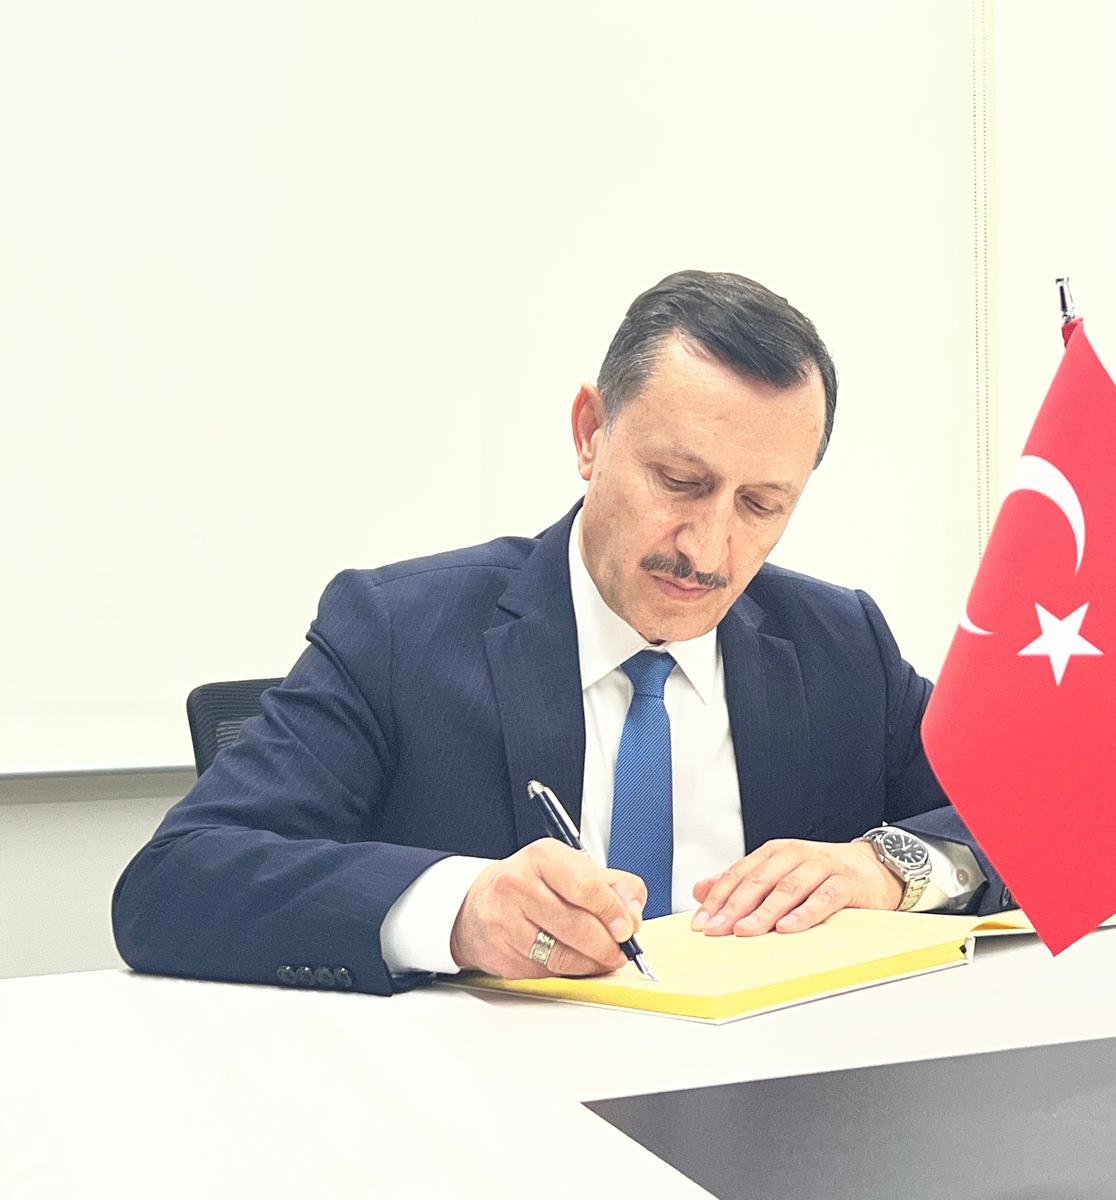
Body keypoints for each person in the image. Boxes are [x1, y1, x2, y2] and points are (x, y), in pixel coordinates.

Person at [113, 270, 1008, 996]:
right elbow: (175, 882)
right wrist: (460, 909)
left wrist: (891, 865)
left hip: (776, 1107)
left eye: (761, 505)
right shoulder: (398, 632)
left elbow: (1036, 818)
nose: (708, 549)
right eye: (679, 482)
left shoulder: (837, 645)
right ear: (590, 434)